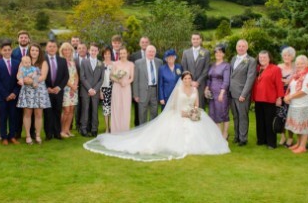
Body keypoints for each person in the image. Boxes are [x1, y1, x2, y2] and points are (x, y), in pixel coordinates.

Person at [84, 71, 231, 161]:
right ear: (182, 80)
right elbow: (173, 106)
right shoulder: (178, 89)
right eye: (185, 78)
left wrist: (192, 113)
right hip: (179, 114)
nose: (187, 80)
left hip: (192, 115)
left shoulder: (194, 90)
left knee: (199, 131)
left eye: (188, 78)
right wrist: (183, 113)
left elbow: (197, 105)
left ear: (191, 80)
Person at [17, 46, 51, 145]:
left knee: (39, 114)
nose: (34, 52)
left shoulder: (43, 62)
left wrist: (32, 81)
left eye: (37, 50)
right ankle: (28, 136)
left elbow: (43, 76)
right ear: (29, 51)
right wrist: (22, 80)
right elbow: (18, 74)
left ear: (39, 52)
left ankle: (38, 135)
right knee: (27, 114)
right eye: (32, 50)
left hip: (39, 90)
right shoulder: (24, 60)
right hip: (27, 91)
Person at [251, 50, 284, 149]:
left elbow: (279, 84)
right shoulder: (257, 69)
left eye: (265, 57)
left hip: (270, 99)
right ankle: (261, 140)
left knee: (269, 121)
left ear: (269, 58)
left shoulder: (275, 69)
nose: (262, 59)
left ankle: (271, 143)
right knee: (260, 121)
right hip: (258, 98)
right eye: (260, 57)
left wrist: (279, 97)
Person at [284, 55, 308, 154]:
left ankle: (302, 146)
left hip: (303, 104)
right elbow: (291, 88)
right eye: (297, 63)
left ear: (306, 64)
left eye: (302, 63)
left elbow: (304, 91)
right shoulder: (296, 75)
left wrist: (290, 97)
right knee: (297, 125)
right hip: (294, 104)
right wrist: (287, 96)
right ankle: (298, 143)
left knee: (303, 125)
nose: (299, 65)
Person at [229, 39, 257, 146]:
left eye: (243, 46)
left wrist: (243, 94)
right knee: (235, 116)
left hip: (242, 94)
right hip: (232, 93)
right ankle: (236, 136)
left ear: (247, 48)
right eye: (239, 46)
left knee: (243, 116)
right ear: (236, 47)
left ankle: (243, 138)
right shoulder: (233, 59)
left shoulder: (251, 60)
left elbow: (250, 79)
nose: (240, 48)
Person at [0, 41, 21, 145]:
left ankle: (12, 136)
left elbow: (19, 79)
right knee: (3, 117)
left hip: (14, 96)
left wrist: (14, 93)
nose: (7, 52)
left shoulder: (17, 63)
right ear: (1, 51)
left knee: (13, 117)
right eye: (5, 50)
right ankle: (4, 137)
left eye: (9, 50)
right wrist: (6, 95)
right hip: (2, 96)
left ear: (11, 50)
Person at [44, 40, 70, 140]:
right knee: (48, 113)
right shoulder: (43, 60)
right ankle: (48, 134)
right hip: (47, 91)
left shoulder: (62, 61)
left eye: (54, 46)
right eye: (50, 46)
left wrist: (59, 87)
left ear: (57, 48)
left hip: (58, 91)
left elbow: (66, 76)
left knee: (57, 111)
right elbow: (40, 75)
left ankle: (57, 133)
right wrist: (47, 88)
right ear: (46, 48)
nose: (52, 48)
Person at [204, 44, 231, 140]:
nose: (218, 54)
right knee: (213, 114)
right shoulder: (212, 65)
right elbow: (209, 78)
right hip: (212, 94)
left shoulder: (226, 66)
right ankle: (218, 134)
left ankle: (225, 133)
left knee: (223, 114)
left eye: (220, 52)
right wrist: (206, 88)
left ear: (223, 54)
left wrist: (222, 93)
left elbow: (226, 80)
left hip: (221, 93)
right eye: (216, 52)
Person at [133, 45, 163, 125]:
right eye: (149, 51)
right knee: (142, 113)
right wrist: (136, 94)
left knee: (154, 112)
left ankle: (152, 130)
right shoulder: (138, 62)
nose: (151, 53)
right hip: (142, 92)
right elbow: (135, 80)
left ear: (155, 53)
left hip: (155, 91)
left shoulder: (159, 62)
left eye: (153, 51)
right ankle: (142, 131)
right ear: (146, 52)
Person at [80, 43, 104, 137]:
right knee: (85, 110)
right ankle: (84, 129)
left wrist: (95, 89)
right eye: (92, 50)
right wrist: (89, 89)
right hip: (86, 90)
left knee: (95, 110)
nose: (93, 52)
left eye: (95, 50)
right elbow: (82, 77)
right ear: (89, 51)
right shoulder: (84, 62)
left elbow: (101, 79)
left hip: (96, 91)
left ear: (98, 52)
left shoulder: (100, 63)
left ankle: (94, 129)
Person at [181, 33, 210, 108]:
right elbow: (184, 68)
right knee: (187, 106)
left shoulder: (206, 52)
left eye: (197, 39)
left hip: (200, 85)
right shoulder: (186, 53)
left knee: (200, 107)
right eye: (193, 39)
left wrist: (198, 82)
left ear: (200, 40)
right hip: (188, 84)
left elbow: (206, 69)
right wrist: (190, 81)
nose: (195, 40)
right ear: (191, 40)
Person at [11, 30, 31, 138]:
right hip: (17, 85)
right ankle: (17, 133)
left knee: (30, 110)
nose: (23, 39)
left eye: (25, 37)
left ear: (28, 39)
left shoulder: (33, 51)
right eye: (21, 37)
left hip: (31, 86)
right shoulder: (13, 53)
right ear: (18, 39)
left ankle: (31, 133)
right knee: (17, 111)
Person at [110, 47, 135, 133]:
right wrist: (119, 81)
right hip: (117, 87)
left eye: (124, 53)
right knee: (116, 108)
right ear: (119, 54)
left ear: (127, 53)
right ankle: (115, 129)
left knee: (125, 108)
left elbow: (132, 78)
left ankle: (124, 130)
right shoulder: (115, 64)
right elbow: (112, 76)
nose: (122, 55)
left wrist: (126, 82)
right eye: (121, 53)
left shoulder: (131, 64)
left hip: (126, 88)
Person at [277, 46, 296, 147]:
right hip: (281, 94)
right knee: (281, 116)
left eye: (288, 55)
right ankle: (283, 135)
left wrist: (290, 81)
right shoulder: (278, 67)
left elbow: (299, 81)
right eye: (284, 55)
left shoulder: (296, 67)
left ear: (292, 56)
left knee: (290, 117)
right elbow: (275, 81)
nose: (286, 57)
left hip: (291, 96)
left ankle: (290, 137)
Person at [129, 36, 150, 126]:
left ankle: (151, 127)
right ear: (139, 43)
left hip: (151, 88)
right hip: (139, 88)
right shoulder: (133, 56)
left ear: (149, 43)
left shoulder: (154, 54)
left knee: (152, 110)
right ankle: (138, 127)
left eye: (146, 42)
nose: (144, 44)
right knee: (138, 110)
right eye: (143, 42)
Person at [59, 42, 78, 138]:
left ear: (71, 51)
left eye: (69, 49)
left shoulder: (72, 62)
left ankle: (67, 130)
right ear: (62, 51)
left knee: (71, 110)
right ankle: (62, 130)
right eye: (65, 50)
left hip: (73, 90)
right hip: (66, 88)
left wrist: (75, 86)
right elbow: (63, 77)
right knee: (66, 110)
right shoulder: (61, 62)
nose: (67, 51)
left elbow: (76, 75)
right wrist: (71, 86)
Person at [74, 42, 88, 131]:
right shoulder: (73, 61)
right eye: (79, 48)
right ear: (77, 50)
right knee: (77, 107)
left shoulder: (92, 59)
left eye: (83, 48)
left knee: (86, 106)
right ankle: (78, 125)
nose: (81, 50)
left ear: (86, 49)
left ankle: (86, 124)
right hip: (77, 87)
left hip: (88, 87)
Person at [100, 47, 114, 133]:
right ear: (103, 55)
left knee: (113, 108)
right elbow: (99, 79)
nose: (107, 55)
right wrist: (100, 91)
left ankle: (113, 127)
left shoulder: (115, 64)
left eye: (109, 53)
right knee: (106, 109)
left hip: (114, 89)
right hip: (104, 89)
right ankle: (106, 128)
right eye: (105, 54)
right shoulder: (100, 64)